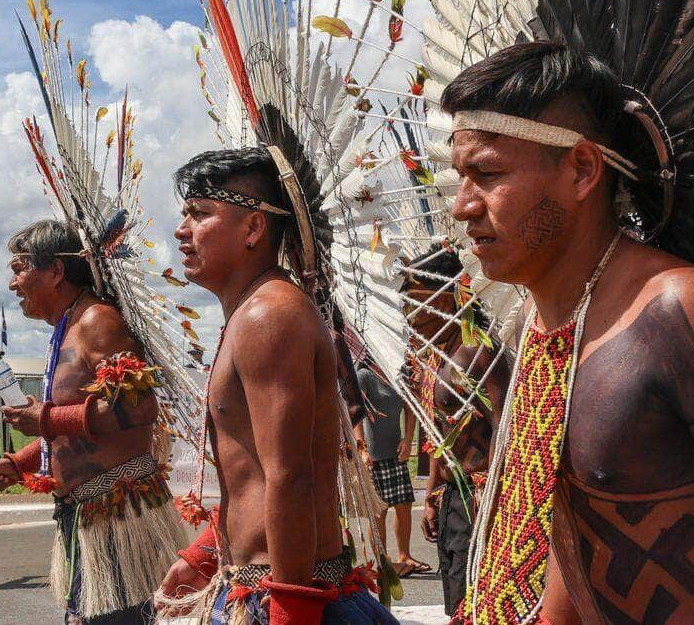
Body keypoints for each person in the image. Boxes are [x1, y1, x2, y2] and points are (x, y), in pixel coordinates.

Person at [445, 41, 694, 622]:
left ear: (582, 170)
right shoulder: (540, 323)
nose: (463, 206)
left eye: (488, 174)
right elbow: (570, 540)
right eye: (462, 176)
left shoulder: (680, 308)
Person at [156, 148, 396, 623]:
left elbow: (291, 475)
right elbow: (258, 474)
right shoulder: (252, 312)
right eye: (185, 214)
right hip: (258, 589)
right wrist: (206, 553)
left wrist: (291, 611)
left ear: (252, 228)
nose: (182, 231)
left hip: (287, 597)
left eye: (200, 214)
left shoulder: (271, 314)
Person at [0, 219, 185, 624]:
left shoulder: (96, 322)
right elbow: (75, 427)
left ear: (55, 271)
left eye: (19, 268)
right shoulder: (67, 327)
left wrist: (48, 417)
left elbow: (139, 408)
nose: (12, 284)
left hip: (118, 517)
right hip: (86, 516)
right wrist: (21, 463)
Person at [400, 247, 508, 616]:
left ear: (448, 300)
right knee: (455, 598)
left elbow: (504, 425)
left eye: (416, 303)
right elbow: (436, 435)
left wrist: (494, 499)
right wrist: (432, 495)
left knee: (476, 600)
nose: (409, 316)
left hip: (483, 499)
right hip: (453, 499)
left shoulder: (479, 351)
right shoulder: (434, 358)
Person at [352, 360, 428, 579]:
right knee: (379, 511)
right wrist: (362, 448)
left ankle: (405, 557)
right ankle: (383, 564)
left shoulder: (399, 372)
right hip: (373, 457)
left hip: (397, 453)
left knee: (404, 504)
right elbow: (356, 413)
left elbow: (409, 407)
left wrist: (407, 439)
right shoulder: (365, 376)